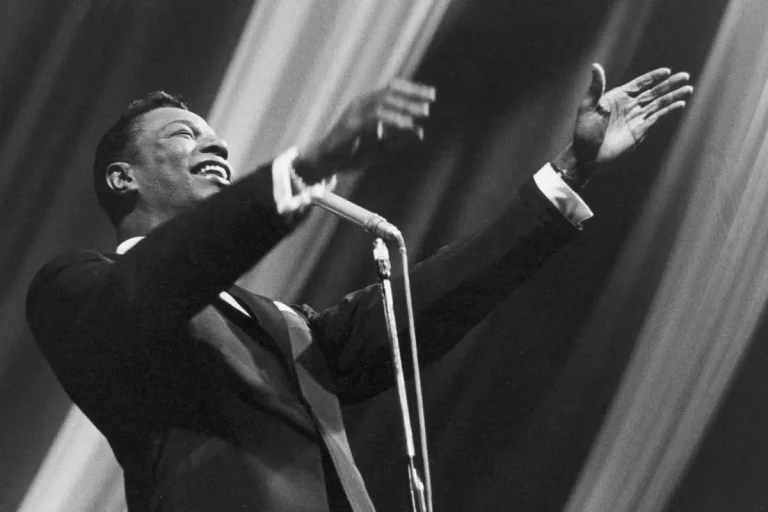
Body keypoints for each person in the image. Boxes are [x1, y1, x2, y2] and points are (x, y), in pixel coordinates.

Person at [26, 64, 692, 512]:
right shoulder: (75, 291)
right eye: (185, 135)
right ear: (123, 179)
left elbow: (417, 308)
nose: (219, 146)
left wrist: (570, 172)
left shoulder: (279, 324)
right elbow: (156, 284)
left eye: (218, 137)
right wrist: (307, 165)